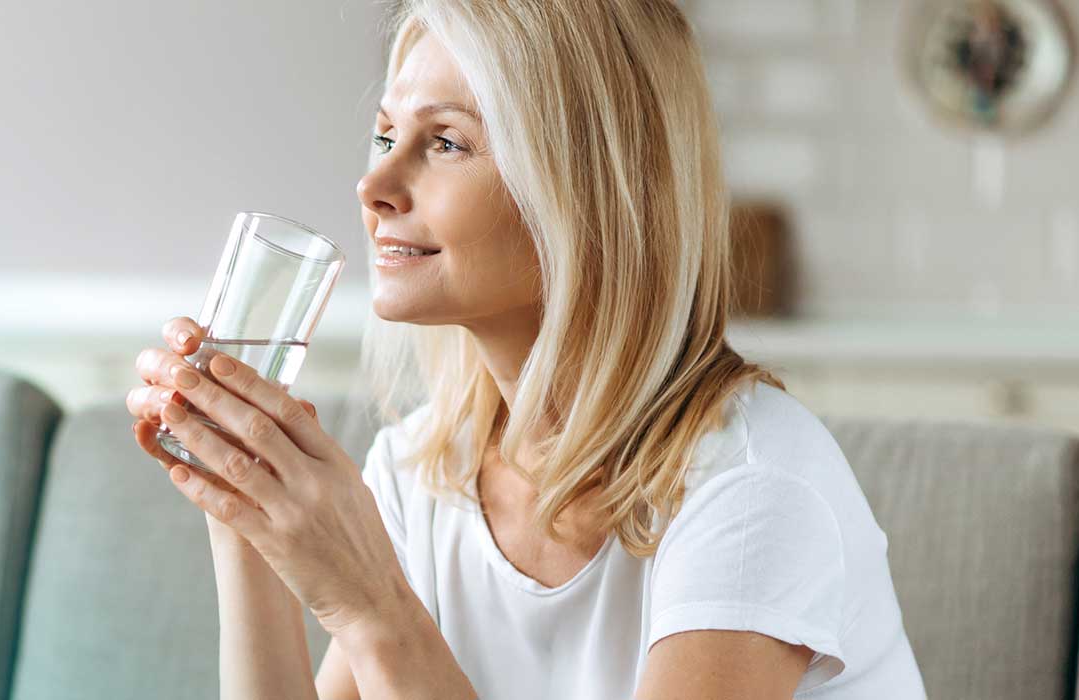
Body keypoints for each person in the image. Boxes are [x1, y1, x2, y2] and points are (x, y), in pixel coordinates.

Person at [124, 1, 926, 698]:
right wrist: (239, 505)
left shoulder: (754, 488)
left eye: (446, 143)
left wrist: (372, 608)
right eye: (385, 135)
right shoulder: (420, 474)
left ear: (586, 188)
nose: (374, 186)